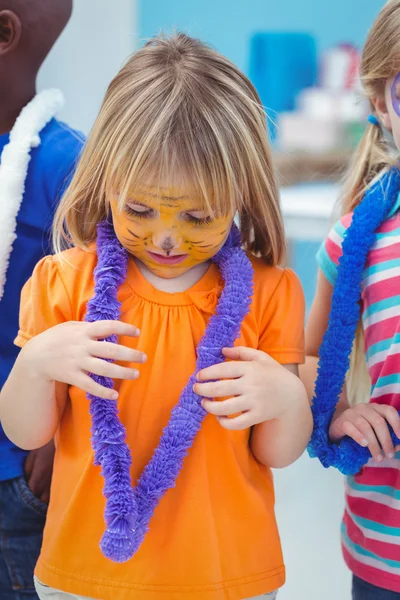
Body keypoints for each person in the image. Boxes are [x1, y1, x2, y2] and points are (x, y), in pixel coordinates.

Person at [1, 33, 311, 600]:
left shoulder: (272, 293)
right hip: (86, 575)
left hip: (226, 575)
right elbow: (25, 431)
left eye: (199, 215)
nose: (167, 237)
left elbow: (277, 452)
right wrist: (39, 363)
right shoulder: (64, 280)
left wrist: (288, 400)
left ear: (240, 194)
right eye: (140, 209)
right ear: (108, 179)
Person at [302, 1, 400, 598]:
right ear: (382, 105)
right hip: (383, 547)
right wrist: (337, 412)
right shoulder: (357, 238)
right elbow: (311, 355)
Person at [0, 1, 84, 598]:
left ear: (5, 32)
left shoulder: (64, 166)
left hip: (18, 474)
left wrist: (54, 451)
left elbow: (102, 309)